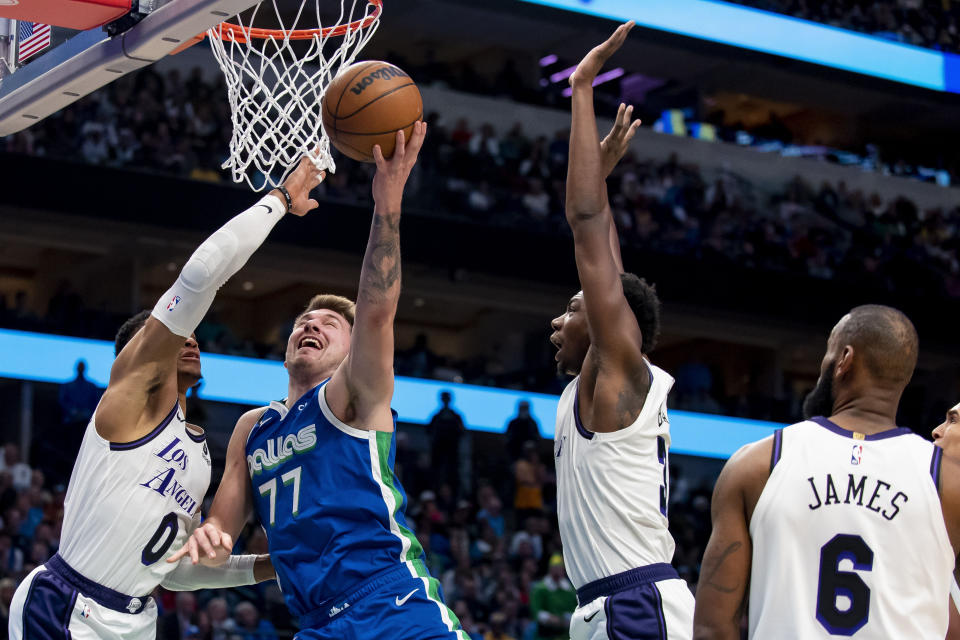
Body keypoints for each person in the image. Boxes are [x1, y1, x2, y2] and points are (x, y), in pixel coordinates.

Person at [172, 123, 468, 639]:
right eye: (304, 321)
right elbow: (223, 529)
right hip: (314, 622)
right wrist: (209, 540)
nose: (311, 325)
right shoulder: (251, 427)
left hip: (391, 600)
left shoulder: (351, 397)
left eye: (329, 324)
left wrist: (388, 203)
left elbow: (376, 312)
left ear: (354, 353)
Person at [9, 157, 324, 639]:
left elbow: (172, 569)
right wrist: (279, 200)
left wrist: (268, 565)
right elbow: (199, 277)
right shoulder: (128, 398)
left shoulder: (199, 455)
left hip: (137, 619)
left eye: (195, 334)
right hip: (68, 604)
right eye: (179, 335)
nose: (191, 337)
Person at [548, 21, 694, 639]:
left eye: (573, 308)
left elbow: (585, 224)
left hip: (636, 602)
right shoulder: (606, 374)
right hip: (608, 603)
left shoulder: (620, 368)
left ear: (612, 324)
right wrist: (598, 182)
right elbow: (594, 228)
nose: (558, 319)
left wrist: (581, 88)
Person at [693, 305, 960, 639]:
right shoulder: (947, 482)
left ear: (844, 359)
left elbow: (712, 627)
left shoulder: (757, 463)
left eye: (828, 353)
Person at [530, 555, 577, 640]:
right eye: (554, 569)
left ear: (563, 570)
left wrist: (571, 619)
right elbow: (536, 611)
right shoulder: (541, 589)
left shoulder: (570, 590)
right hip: (546, 634)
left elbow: (576, 608)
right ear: (550, 570)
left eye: (559, 569)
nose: (557, 572)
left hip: (567, 633)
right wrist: (549, 618)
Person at [429, 391, 466, 497]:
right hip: (438, 454)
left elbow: (462, 432)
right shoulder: (437, 416)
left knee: (452, 477)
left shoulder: (456, 417)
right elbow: (429, 431)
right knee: (437, 477)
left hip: (452, 455)